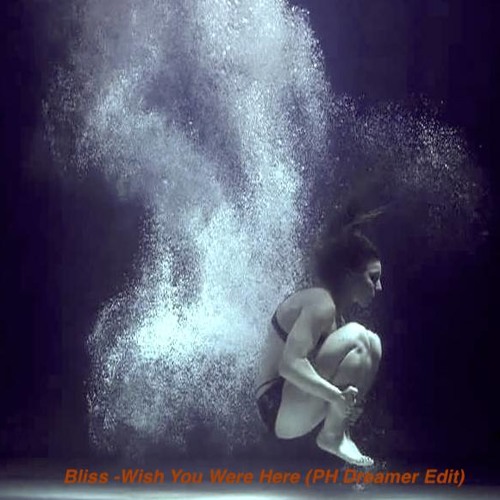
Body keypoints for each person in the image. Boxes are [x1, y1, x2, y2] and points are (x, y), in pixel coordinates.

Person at [256, 207, 383, 467]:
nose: (379, 287)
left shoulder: (338, 319)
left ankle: (336, 433)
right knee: (362, 337)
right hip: (275, 404)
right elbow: (290, 365)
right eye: (374, 278)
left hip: (293, 407)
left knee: (372, 343)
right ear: (350, 276)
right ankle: (333, 436)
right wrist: (336, 398)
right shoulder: (320, 302)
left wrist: (347, 406)